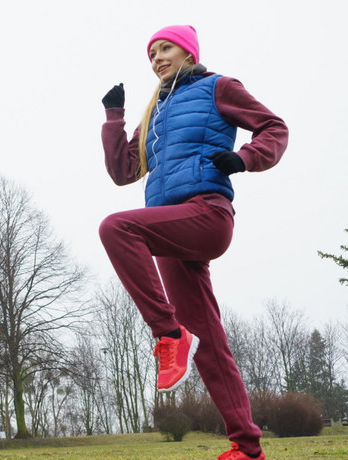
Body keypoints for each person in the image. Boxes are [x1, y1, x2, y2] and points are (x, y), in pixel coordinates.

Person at [98, 25, 288, 460]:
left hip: (206, 214)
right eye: (151, 54)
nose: (157, 58)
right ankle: (247, 447)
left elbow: (274, 127)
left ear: (187, 52)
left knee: (116, 228)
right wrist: (115, 119)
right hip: (170, 235)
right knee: (211, 343)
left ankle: (169, 334)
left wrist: (244, 158)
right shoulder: (155, 112)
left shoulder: (217, 87)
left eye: (165, 48)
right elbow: (124, 172)